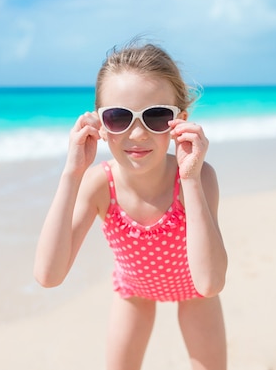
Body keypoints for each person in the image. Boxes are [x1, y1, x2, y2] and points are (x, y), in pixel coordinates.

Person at [34, 40, 228, 370]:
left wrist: (191, 178)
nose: (137, 134)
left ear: (179, 121)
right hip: (134, 292)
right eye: (119, 117)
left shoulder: (198, 178)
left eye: (155, 116)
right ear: (99, 124)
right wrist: (72, 172)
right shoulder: (99, 184)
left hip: (195, 291)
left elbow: (209, 282)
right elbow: (48, 275)